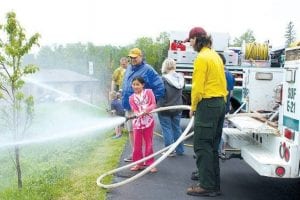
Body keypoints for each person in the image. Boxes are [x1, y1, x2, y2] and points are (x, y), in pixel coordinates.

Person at [185, 27, 227, 197]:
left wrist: (193, 107)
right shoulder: (215, 55)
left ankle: (207, 186)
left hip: (207, 104)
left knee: (202, 145)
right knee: (212, 146)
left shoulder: (202, 57)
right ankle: (213, 184)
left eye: (190, 41)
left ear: (196, 39)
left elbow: (197, 87)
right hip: (220, 103)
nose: (190, 44)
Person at [121, 47, 165, 162]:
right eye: (131, 57)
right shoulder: (129, 68)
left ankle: (147, 157)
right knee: (131, 131)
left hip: (143, 109)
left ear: (141, 57)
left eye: (135, 57)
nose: (133, 59)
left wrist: (150, 103)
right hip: (129, 106)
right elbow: (126, 83)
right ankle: (135, 154)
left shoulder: (148, 69)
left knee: (144, 134)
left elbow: (160, 87)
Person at [128, 76, 157, 173]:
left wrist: (146, 110)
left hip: (148, 122)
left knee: (148, 143)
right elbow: (135, 110)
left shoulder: (149, 92)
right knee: (137, 144)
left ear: (142, 85)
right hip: (137, 124)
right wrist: (137, 113)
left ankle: (150, 164)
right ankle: (138, 163)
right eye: (134, 84)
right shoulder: (131, 98)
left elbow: (153, 104)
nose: (135, 86)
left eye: (138, 84)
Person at [157, 58, 185, 157]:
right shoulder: (180, 78)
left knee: (167, 129)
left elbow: (159, 93)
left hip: (165, 108)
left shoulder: (163, 79)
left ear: (165, 66)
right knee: (177, 128)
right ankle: (180, 150)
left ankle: (169, 151)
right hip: (177, 107)